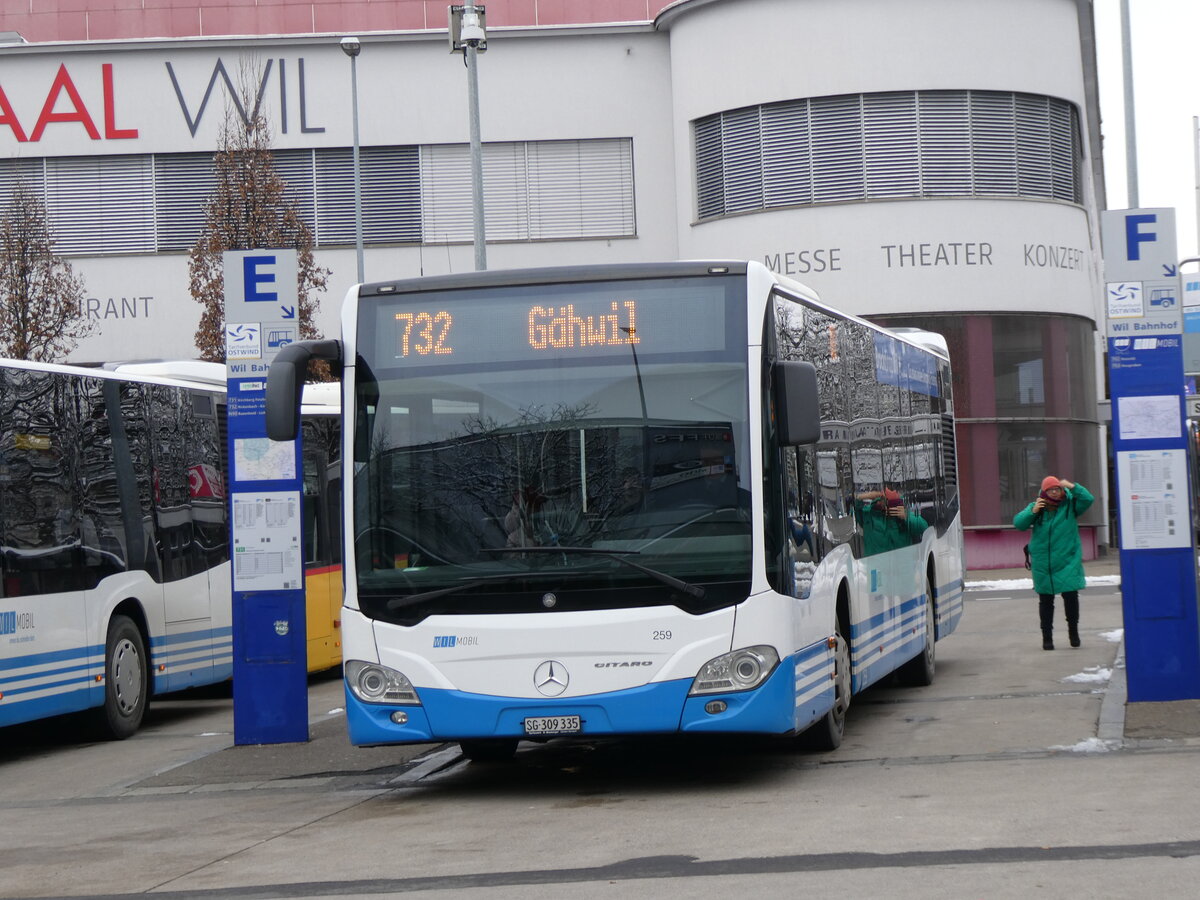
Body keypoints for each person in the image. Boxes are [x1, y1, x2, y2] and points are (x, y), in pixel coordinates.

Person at [1013, 475, 1094, 650]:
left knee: (1071, 597)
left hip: (1067, 559)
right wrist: (1032, 511)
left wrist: (1073, 486)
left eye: (1057, 489)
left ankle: (1074, 633)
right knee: (1046, 600)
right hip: (1044, 562)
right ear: (1044, 492)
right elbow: (1019, 524)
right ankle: (1047, 638)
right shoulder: (1037, 507)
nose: (1055, 492)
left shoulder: (1071, 505)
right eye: (1051, 489)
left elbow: (1088, 499)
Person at [854, 487, 928, 556]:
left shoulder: (901, 513)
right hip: (875, 565)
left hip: (900, 563)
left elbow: (923, 527)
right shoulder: (868, 514)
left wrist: (907, 517)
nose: (886, 490)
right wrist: (862, 497)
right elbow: (855, 510)